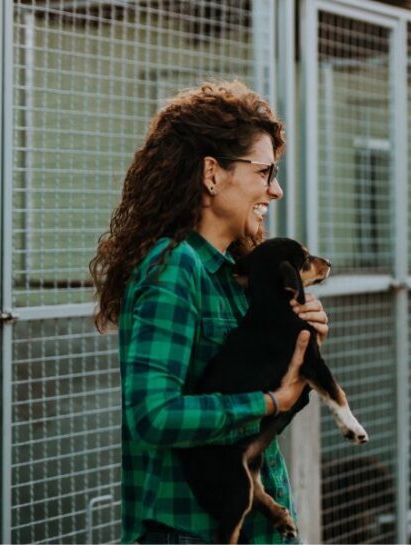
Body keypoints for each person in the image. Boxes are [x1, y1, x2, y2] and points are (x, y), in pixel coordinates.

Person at [89, 81, 328, 544]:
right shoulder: (174, 268)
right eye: (265, 172)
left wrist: (298, 353)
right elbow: (153, 415)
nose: (275, 190)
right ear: (212, 174)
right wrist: (268, 401)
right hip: (187, 531)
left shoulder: (236, 276)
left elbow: (261, 417)